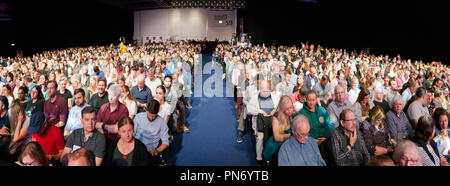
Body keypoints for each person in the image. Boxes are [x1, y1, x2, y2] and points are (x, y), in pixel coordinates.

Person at [133, 99, 170, 166]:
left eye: (154, 116)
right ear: (147, 110)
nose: (151, 118)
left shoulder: (161, 122)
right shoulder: (138, 117)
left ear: (158, 112)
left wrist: (156, 150)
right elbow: (132, 134)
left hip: (149, 151)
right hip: (136, 147)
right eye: (150, 115)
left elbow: (166, 142)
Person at [299, 90, 332, 159]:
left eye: (313, 100)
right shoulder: (302, 113)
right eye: (309, 100)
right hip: (309, 140)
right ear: (306, 100)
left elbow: (329, 124)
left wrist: (325, 137)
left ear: (316, 99)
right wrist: (312, 140)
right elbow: (300, 130)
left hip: (324, 138)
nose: (311, 103)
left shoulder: (322, 110)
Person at [262, 95, 292, 165]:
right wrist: (292, 135)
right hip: (278, 142)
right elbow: (277, 137)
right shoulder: (276, 117)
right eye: (287, 109)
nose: (290, 110)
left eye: (291, 107)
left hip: (290, 140)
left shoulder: (294, 114)